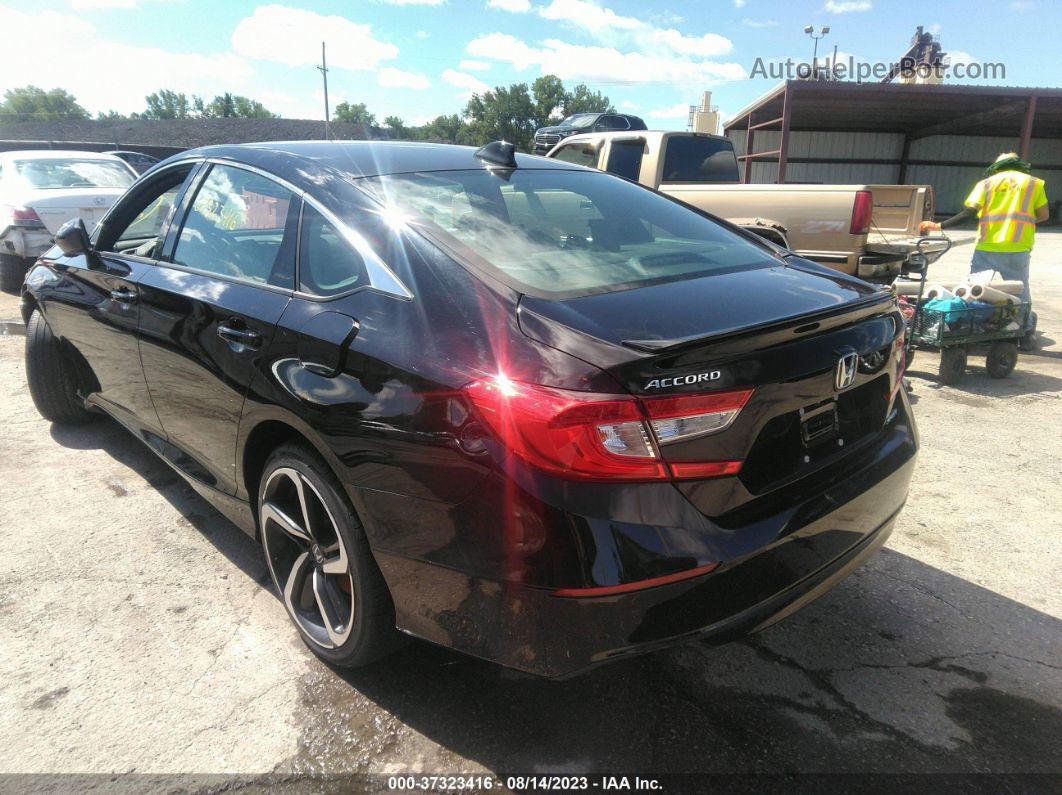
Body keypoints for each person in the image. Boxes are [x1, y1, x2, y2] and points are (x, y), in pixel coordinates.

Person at [920, 152, 1049, 307]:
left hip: (986, 246)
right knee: (1020, 289)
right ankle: (1024, 325)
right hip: (1018, 246)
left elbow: (969, 213)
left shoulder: (986, 183)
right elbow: (1043, 215)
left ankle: (975, 322)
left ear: (997, 166)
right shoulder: (1034, 184)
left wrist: (939, 225)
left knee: (975, 289)